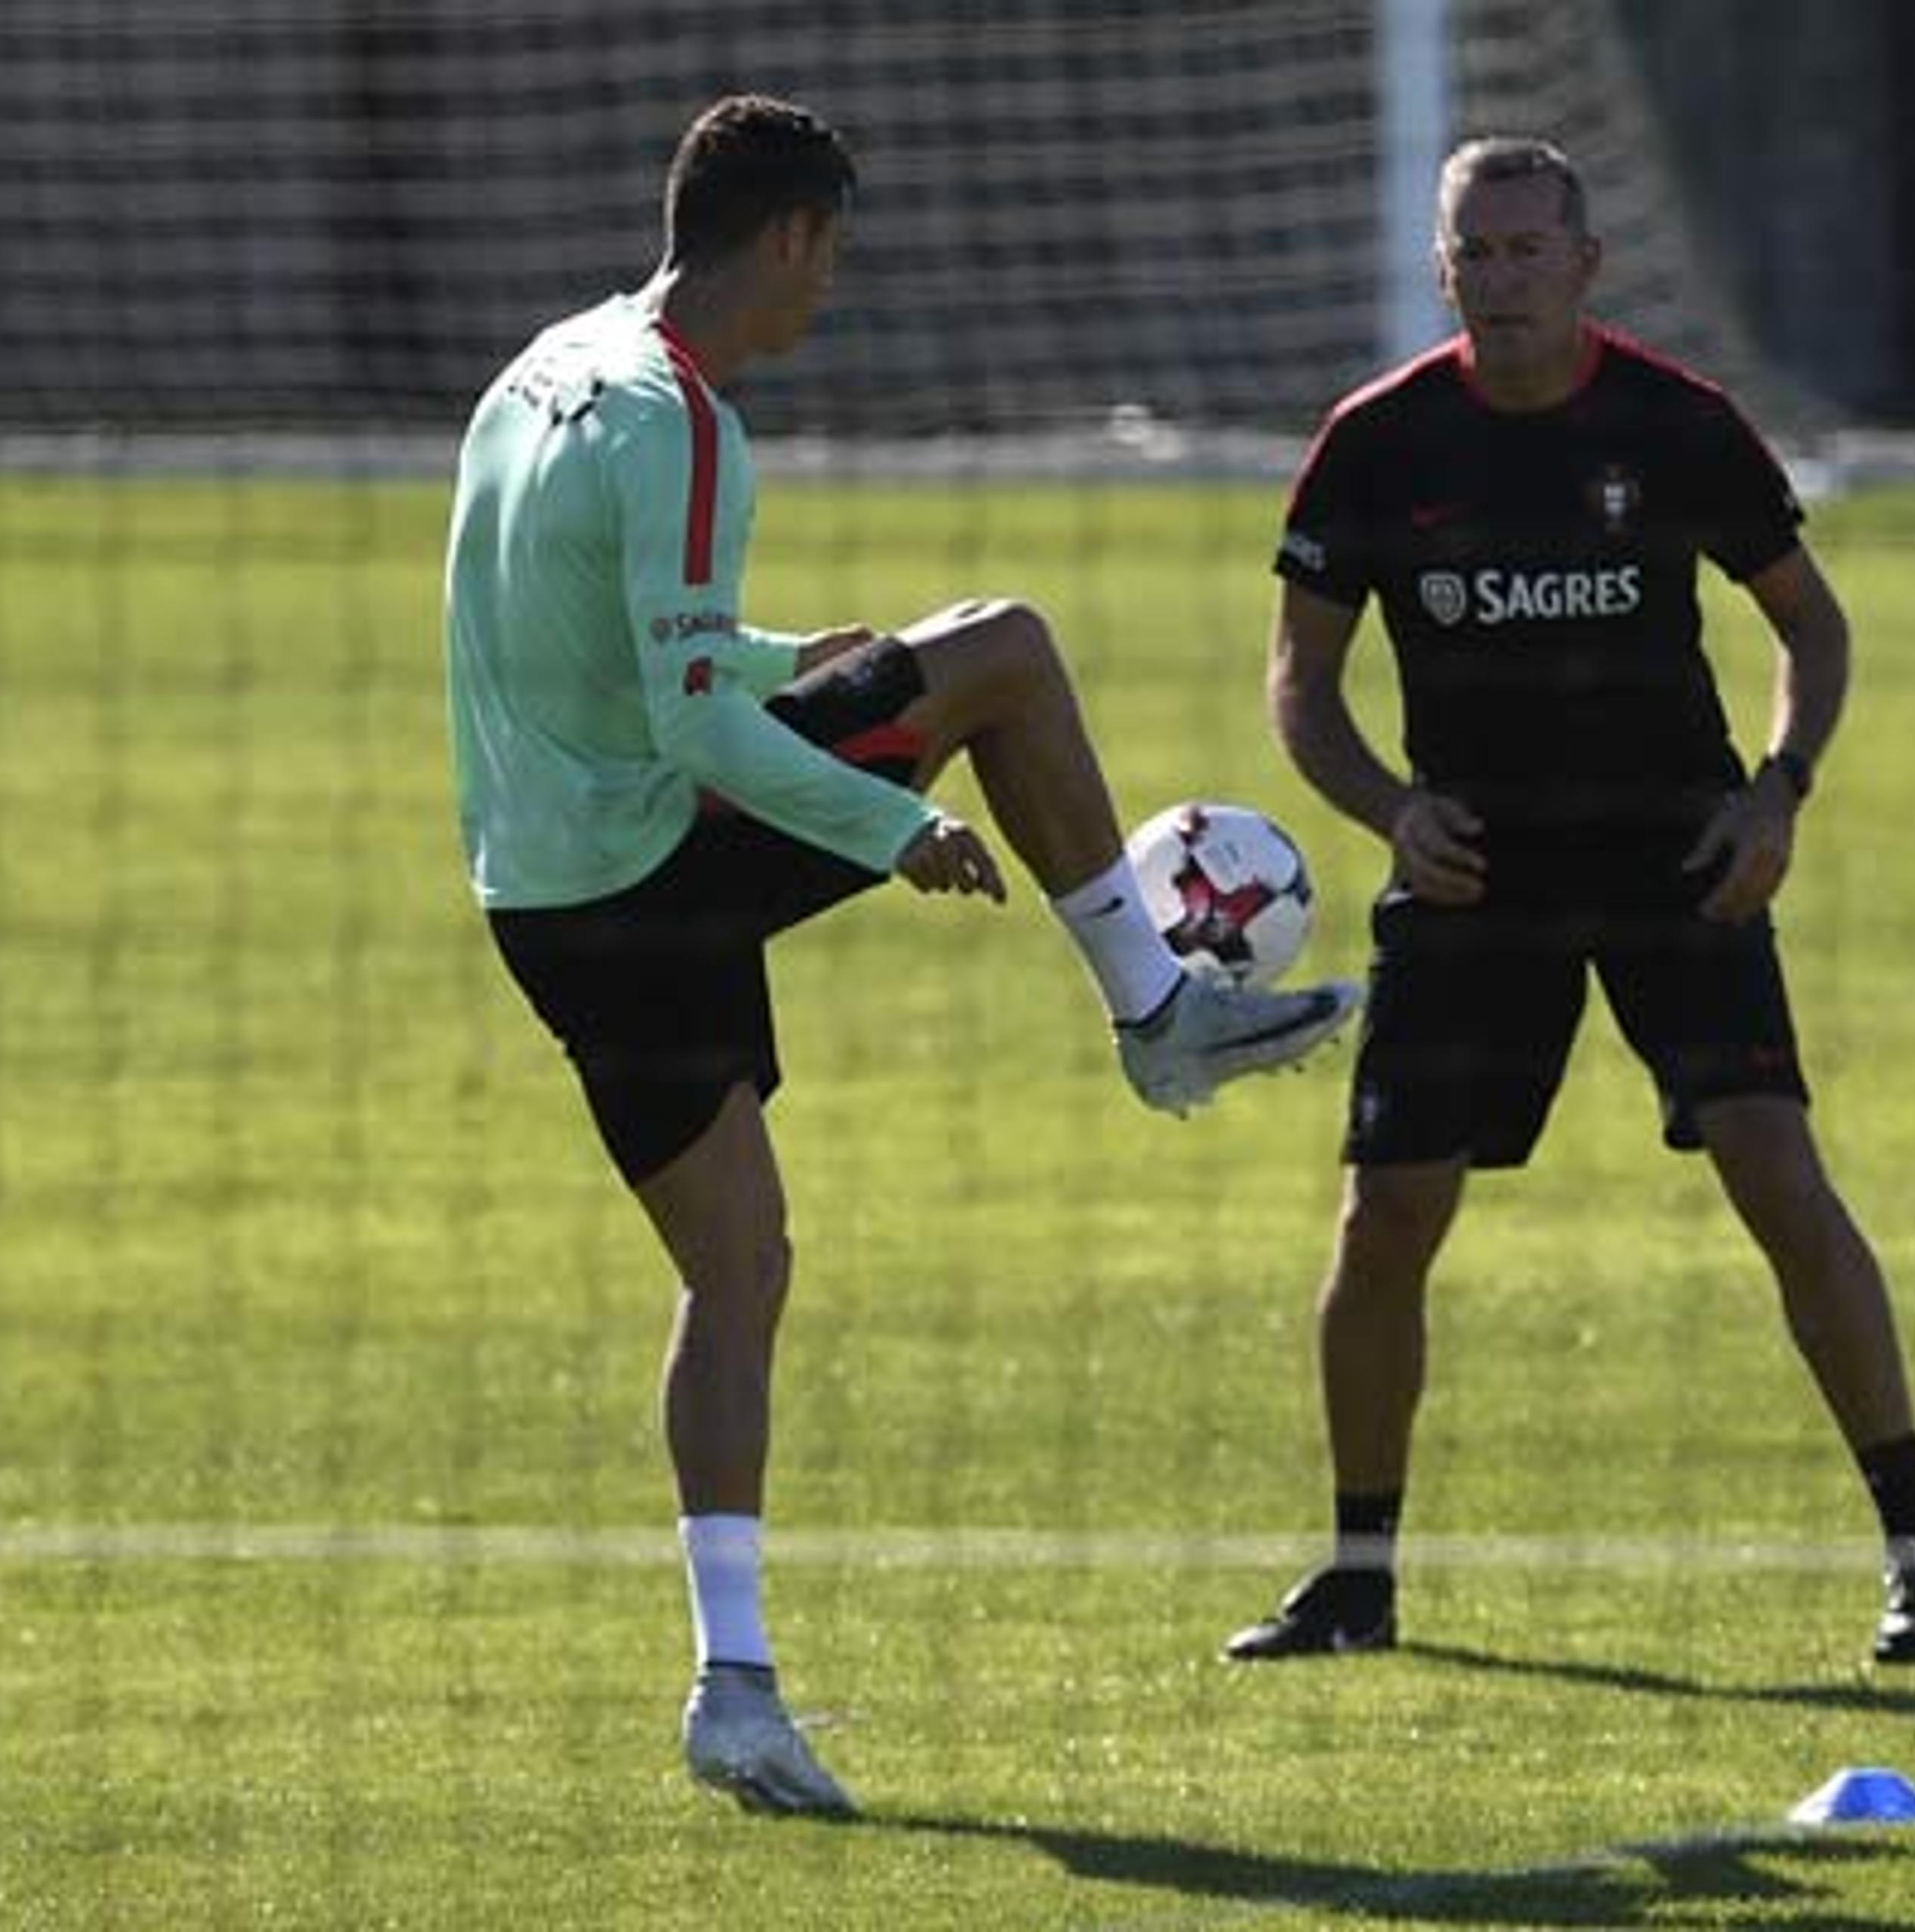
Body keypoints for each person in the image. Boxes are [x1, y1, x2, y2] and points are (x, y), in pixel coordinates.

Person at [442, 94, 1358, 1815]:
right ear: (786, 235)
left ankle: (736, 1686)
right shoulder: (692, 428)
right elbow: (703, 730)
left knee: (743, 1266)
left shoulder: (545, 372)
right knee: (1006, 650)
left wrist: (796, 647)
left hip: (541, 897)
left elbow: (575, 630)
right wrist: (897, 826)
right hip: (662, 856)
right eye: (832, 257)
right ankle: (1157, 1009)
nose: (829, 295)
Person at [1222, 136, 1915, 1667]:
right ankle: (1359, 1577)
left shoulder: (1677, 426)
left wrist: (1780, 791)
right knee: (1384, 1222)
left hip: (1671, 865)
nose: (1500, 280)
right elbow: (1300, 677)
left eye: (1525, 251)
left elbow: (1811, 630)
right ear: (1443, 272)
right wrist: (1391, 808)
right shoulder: (1377, 444)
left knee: (1779, 1176)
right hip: (1474, 876)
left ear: (1584, 265)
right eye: (1474, 255)